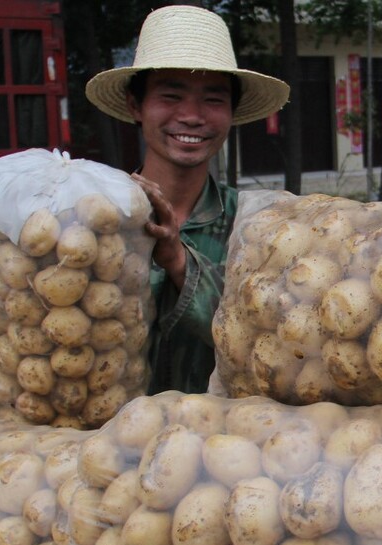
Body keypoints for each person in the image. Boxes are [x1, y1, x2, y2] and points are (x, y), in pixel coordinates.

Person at [85, 6, 289, 394]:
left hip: (221, 446)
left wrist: (179, 262)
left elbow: (266, 345)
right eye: (171, 95)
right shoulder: (97, 224)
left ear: (231, 112)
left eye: (213, 100)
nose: (192, 116)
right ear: (135, 105)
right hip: (108, 445)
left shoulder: (257, 229)